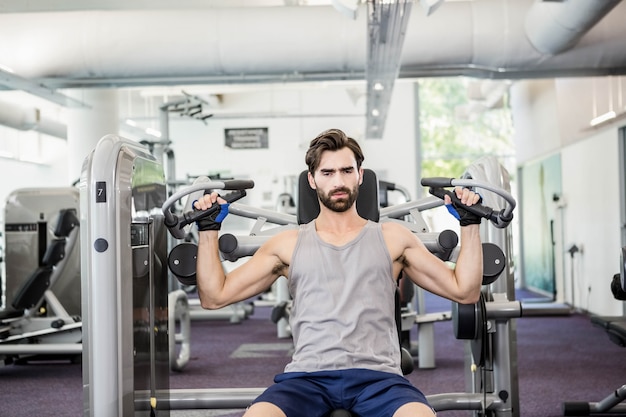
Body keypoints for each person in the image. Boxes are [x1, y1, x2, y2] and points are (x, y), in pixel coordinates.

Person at [194, 128, 484, 417]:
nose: (339, 181)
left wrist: (470, 224)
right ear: (312, 179)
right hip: (306, 379)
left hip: (379, 380)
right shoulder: (286, 244)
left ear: (360, 174)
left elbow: (464, 290)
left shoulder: (393, 238)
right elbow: (214, 297)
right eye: (327, 172)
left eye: (347, 170)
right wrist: (208, 230)